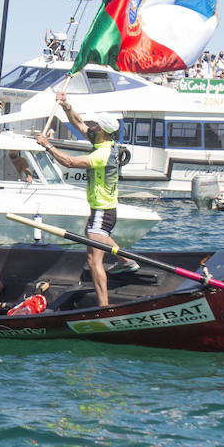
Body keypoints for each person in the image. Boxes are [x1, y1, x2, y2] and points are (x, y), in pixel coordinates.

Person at [35, 93, 136, 307]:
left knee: (93, 261)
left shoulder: (103, 154)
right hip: (102, 211)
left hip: (102, 211)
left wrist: (48, 145)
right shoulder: (101, 138)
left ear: (102, 130)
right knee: (93, 235)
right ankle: (126, 261)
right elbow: (78, 123)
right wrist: (66, 105)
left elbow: (70, 162)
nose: (92, 126)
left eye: (96, 125)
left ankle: (104, 308)